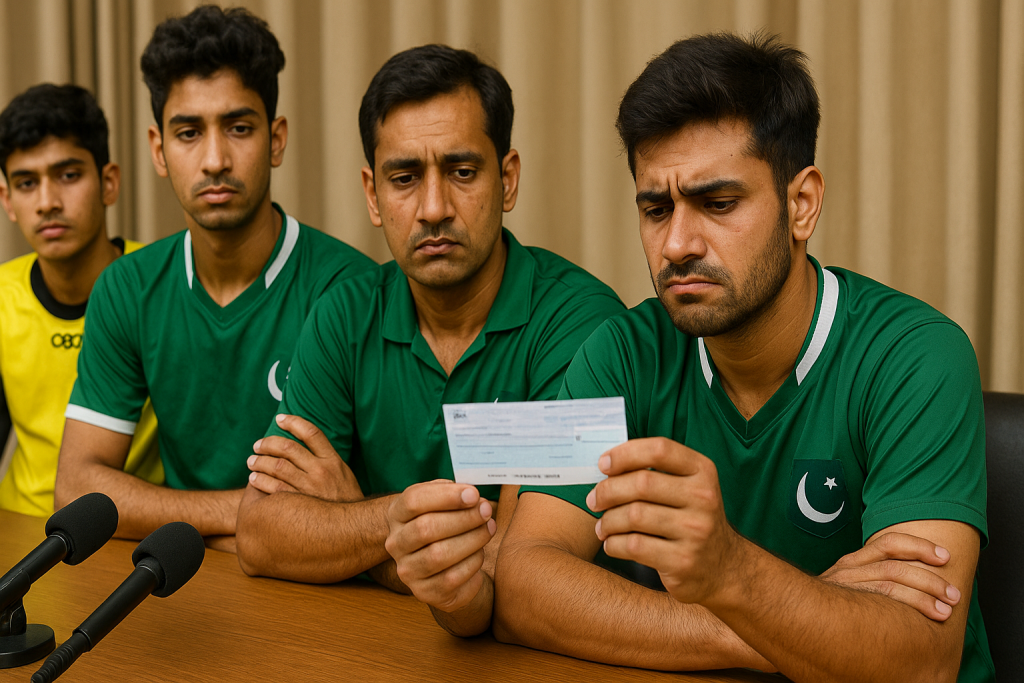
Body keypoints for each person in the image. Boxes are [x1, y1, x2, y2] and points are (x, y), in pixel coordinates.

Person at [494, 33, 993, 683]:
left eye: (718, 203)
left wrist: (729, 569)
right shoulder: (621, 352)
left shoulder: (915, 356)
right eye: (655, 208)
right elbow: (522, 581)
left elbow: (920, 661)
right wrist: (776, 619)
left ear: (802, 203)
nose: (676, 243)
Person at [234, 44, 624, 636]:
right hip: (370, 650)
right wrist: (393, 516)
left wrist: (347, 515)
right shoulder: (344, 314)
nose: (434, 208)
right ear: (372, 193)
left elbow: (515, 580)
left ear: (508, 179)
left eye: (462, 171)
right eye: (405, 178)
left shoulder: (580, 321)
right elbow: (260, 537)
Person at [54, 6, 375, 545]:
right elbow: (77, 487)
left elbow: (330, 506)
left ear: (276, 140)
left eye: (239, 128)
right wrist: (245, 514)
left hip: (318, 589)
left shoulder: (350, 290)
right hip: (184, 574)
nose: (214, 159)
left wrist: (262, 523)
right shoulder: (128, 287)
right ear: (158, 150)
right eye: (188, 133)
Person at [0, 84, 163, 518]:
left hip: (130, 531)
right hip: (20, 532)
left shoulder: (163, 284)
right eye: (26, 183)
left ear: (108, 183)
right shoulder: (2, 297)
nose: (47, 203)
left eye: (68, 175)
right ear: (7, 201)